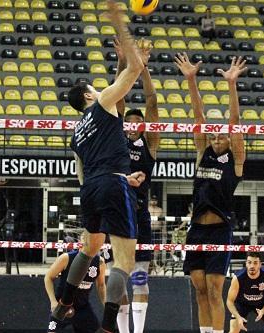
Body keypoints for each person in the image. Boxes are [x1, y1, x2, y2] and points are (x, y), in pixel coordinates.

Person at [51, 2, 148, 332]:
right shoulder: (104, 102)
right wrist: (119, 21)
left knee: (89, 248)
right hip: (111, 182)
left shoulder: (78, 131)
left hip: (89, 188)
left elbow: (81, 171)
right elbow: (133, 73)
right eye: (95, 87)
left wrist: (120, 62)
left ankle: (64, 302)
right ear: (90, 95)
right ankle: (108, 326)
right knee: (125, 260)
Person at [175, 52, 246, 333]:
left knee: (216, 291)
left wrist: (231, 84)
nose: (216, 138)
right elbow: (198, 115)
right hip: (196, 231)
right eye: (213, 135)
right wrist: (191, 80)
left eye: (221, 135)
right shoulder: (202, 152)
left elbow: (236, 121)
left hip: (219, 231)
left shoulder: (235, 159)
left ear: (228, 138)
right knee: (200, 290)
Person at [113, 36, 160, 333]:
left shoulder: (149, 144)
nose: (131, 123)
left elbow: (152, 101)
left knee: (140, 274)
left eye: (136, 121)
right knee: (120, 272)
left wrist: (142, 67)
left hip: (140, 212)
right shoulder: (117, 137)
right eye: (127, 120)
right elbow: (118, 95)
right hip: (118, 210)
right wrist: (122, 62)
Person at [45, 245, 106, 333]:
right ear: (81, 243)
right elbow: (48, 277)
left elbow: (101, 285)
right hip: (62, 306)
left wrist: (106, 305)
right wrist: (53, 301)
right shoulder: (66, 258)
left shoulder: (100, 262)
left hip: (83, 307)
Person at [226, 253, 264, 333]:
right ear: (246, 264)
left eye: (255, 263)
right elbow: (229, 301)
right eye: (249, 262)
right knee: (233, 331)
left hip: (261, 304)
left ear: (260, 264)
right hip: (242, 304)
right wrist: (238, 317)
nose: (252, 266)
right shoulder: (238, 278)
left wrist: (263, 311)